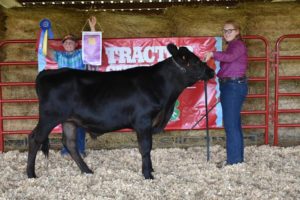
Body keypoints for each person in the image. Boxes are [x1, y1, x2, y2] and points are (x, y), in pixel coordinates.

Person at [47, 16, 97, 158]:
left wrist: (92, 28)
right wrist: (43, 34)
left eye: (71, 42)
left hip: (80, 92)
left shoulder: (82, 54)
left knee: (80, 122)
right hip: (64, 94)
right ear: (63, 45)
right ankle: (66, 150)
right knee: (66, 122)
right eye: (66, 42)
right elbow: (44, 50)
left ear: (76, 44)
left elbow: (93, 46)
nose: (69, 44)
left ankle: (80, 150)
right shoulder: (59, 56)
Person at [204, 20, 248, 167]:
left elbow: (229, 58)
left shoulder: (238, 45)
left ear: (237, 31)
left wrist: (212, 53)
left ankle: (234, 161)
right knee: (234, 124)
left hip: (233, 86)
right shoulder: (232, 45)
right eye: (224, 31)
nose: (227, 33)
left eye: (230, 30)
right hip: (232, 85)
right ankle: (237, 160)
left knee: (230, 124)